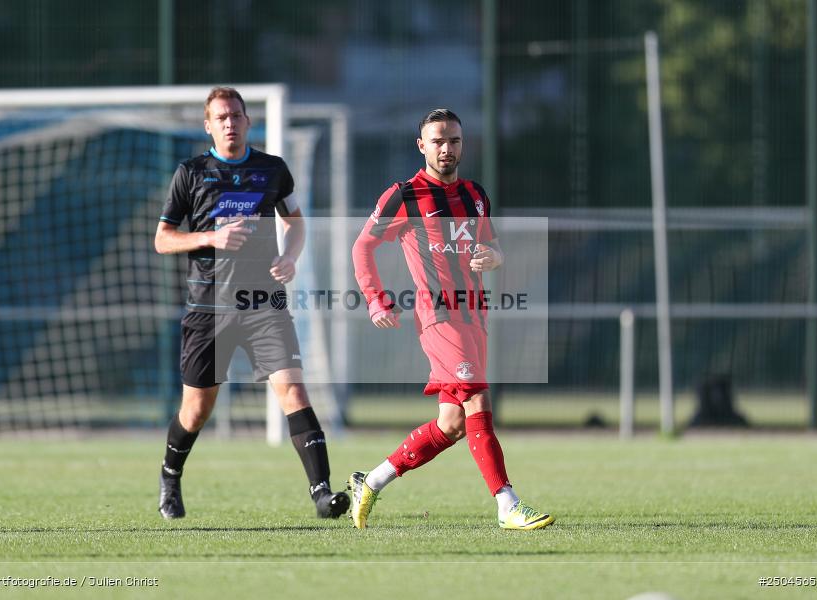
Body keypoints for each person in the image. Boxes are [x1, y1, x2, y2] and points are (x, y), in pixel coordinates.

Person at [348, 109, 554, 531]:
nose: (447, 149)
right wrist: (376, 300)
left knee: (452, 424)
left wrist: (495, 257)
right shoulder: (404, 195)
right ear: (421, 146)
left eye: (454, 141)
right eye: (438, 141)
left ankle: (370, 481)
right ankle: (507, 504)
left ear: (463, 144)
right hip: (439, 318)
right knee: (478, 400)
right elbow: (361, 248)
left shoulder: (475, 195)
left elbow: (492, 249)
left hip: (475, 316)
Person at [154, 86, 349, 520]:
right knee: (197, 409)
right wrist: (210, 237)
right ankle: (170, 475)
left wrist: (289, 256)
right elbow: (162, 239)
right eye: (220, 117)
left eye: (236, 115)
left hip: (264, 304)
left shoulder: (273, 170)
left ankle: (322, 493)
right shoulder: (190, 172)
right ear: (208, 125)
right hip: (209, 309)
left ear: (247, 121)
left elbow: (295, 222)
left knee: (294, 389)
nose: (229, 122)